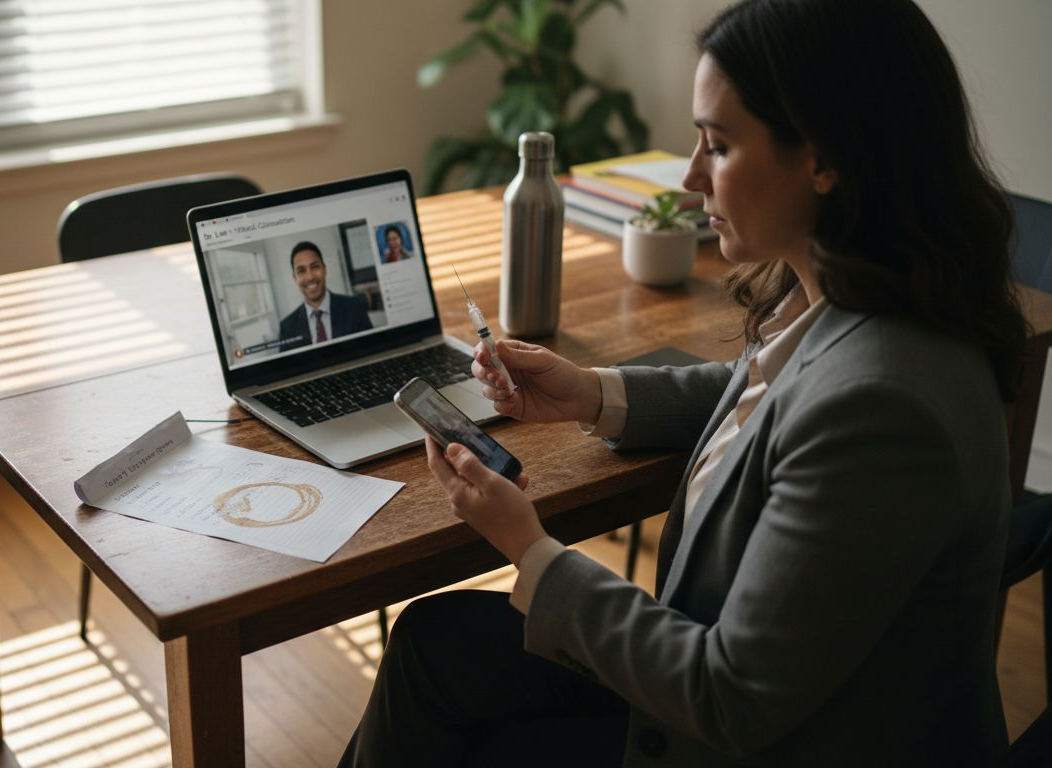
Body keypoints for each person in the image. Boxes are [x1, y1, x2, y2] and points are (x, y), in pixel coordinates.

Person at [339, 0, 1027, 765]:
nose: (692, 174)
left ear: (826, 159)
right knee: (433, 644)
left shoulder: (886, 404)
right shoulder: (851, 300)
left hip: (758, 732)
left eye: (719, 146)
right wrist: (589, 392)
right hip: (737, 682)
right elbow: (764, 398)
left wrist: (526, 546)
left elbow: (727, 698)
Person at [278, 240, 373, 352]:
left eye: (314, 267)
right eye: (301, 271)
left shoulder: (355, 307)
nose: (310, 277)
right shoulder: (287, 327)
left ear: (324, 269)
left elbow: (373, 352)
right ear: (295, 278)